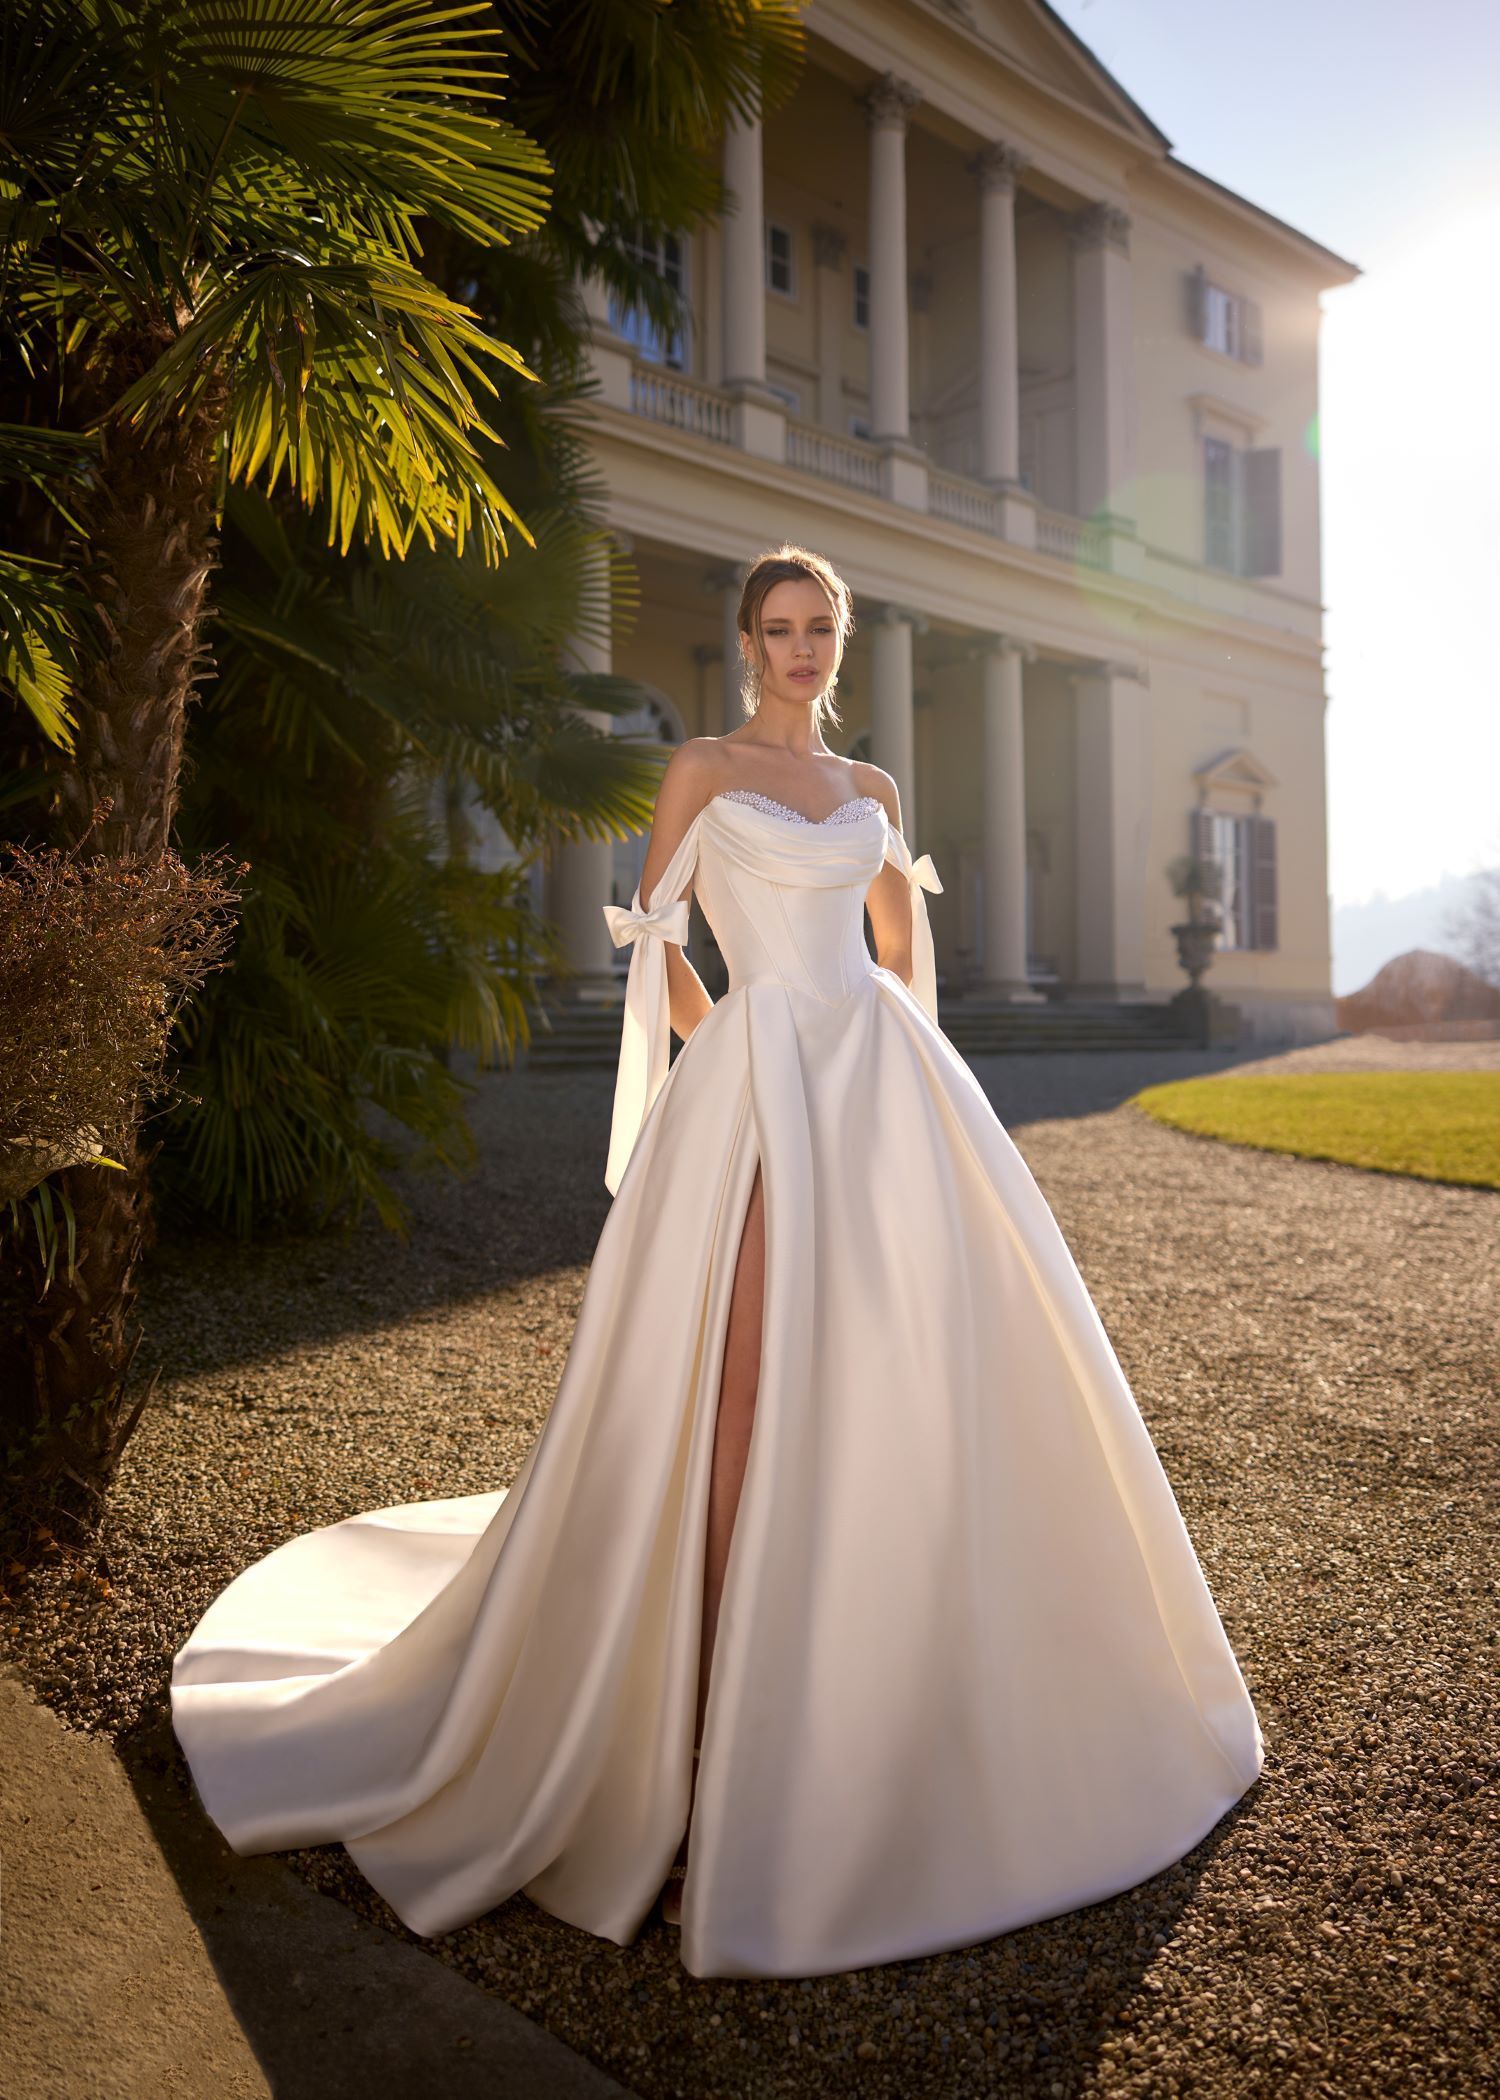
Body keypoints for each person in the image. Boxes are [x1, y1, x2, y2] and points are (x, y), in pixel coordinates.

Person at [171, 542, 1263, 1981]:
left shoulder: (872, 795)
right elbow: (656, 944)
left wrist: (887, 1065)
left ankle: (894, 1696)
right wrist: (730, 1054)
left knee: (912, 1383)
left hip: (883, 1100)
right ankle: (693, 1742)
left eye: (821, 630)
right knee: (741, 1392)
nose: (800, 649)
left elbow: (894, 961)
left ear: (842, 644)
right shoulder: (698, 768)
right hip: (756, 1093)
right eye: (778, 628)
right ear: (747, 642)